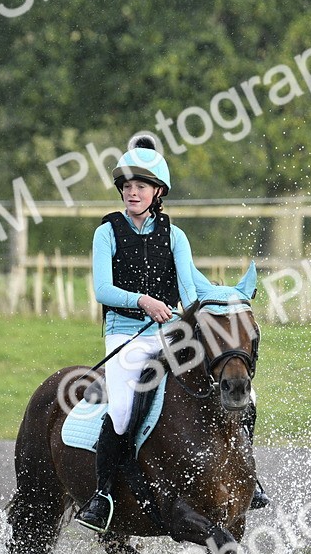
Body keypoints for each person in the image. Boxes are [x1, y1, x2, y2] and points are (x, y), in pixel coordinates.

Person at [74, 135, 270, 533]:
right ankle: (104, 495)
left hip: (170, 332)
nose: (132, 192)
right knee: (124, 408)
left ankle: (248, 478)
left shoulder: (174, 236)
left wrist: (223, 301)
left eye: (140, 186)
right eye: (127, 186)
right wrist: (143, 301)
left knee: (242, 393)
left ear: (157, 192)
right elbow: (102, 290)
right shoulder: (107, 233)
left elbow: (189, 292)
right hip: (124, 333)